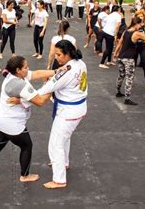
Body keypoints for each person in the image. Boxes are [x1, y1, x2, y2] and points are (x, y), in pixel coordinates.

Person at [0, 56, 58, 182]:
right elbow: (40, 101)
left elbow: (37, 73)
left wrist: (57, 71)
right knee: (27, 146)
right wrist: (54, 84)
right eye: (25, 67)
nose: (28, 68)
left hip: (0, 119)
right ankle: (25, 176)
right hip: (11, 123)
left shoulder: (13, 75)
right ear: (18, 70)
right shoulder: (19, 85)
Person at [38, 40, 87, 189]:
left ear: (68, 54)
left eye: (59, 54)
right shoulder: (80, 64)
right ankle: (64, 163)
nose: (56, 57)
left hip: (68, 111)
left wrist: (21, 98)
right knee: (65, 139)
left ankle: (59, 179)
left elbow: (46, 89)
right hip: (78, 108)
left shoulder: (67, 71)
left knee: (56, 144)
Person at [113, 17, 145, 106]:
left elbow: (119, 43)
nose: (141, 26)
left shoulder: (125, 31)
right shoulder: (137, 34)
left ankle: (118, 92)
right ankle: (127, 99)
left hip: (121, 57)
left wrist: (115, 54)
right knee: (129, 78)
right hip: (129, 59)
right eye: (140, 24)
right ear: (137, 24)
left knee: (121, 75)